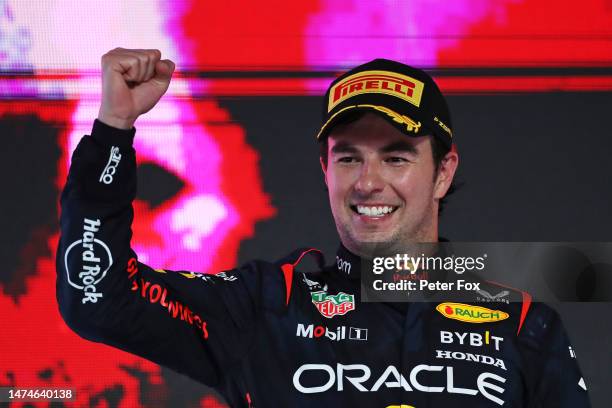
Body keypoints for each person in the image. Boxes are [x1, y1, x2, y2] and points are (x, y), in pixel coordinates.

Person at [57, 48, 590, 407]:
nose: (368, 182)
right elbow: (97, 296)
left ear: (443, 172)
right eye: (348, 158)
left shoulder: (521, 325)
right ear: (324, 170)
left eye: (397, 158)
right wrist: (113, 130)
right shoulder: (266, 305)